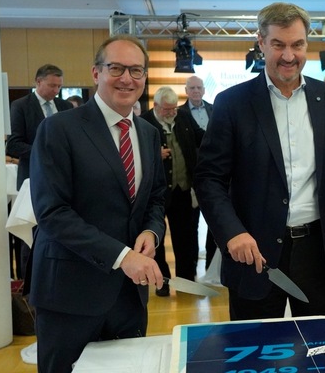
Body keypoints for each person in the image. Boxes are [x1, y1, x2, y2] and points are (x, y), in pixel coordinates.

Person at [193, 2, 325, 321]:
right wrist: (232, 232)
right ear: (261, 42)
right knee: (254, 345)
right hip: (254, 253)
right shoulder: (232, 103)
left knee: (319, 345)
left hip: (318, 253)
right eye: (279, 44)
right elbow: (209, 179)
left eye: (298, 45)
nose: (289, 56)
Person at [29, 35, 167, 373]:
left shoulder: (148, 133)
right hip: (70, 294)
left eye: (136, 70)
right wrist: (122, 256)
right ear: (96, 73)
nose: (127, 79)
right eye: (116, 68)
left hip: (129, 296)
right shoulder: (58, 129)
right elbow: (52, 212)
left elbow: (155, 198)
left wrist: (151, 232)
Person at [6, 64, 74, 278]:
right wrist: (43, 152)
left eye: (59, 86)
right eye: (52, 85)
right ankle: (29, 279)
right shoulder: (21, 106)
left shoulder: (64, 106)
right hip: (32, 179)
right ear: (38, 82)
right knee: (32, 232)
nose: (56, 90)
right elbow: (13, 145)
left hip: (62, 180)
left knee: (59, 229)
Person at [140, 86, 205, 296]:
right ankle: (162, 283)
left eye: (174, 108)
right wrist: (153, 154)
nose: (171, 113)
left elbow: (200, 137)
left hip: (183, 191)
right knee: (157, 240)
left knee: (186, 239)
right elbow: (133, 154)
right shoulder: (143, 122)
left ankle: (186, 283)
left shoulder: (183, 117)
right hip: (156, 194)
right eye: (167, 109)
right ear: (156, 105)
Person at [178, 75, 216, 269]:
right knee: (189, 227)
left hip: (215, 176)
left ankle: (211, 268)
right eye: (192, 88)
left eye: (198, 87)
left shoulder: (215, 109)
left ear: (204, 90)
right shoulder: (179, 113)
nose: (195, 91)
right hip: (190, 178)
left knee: (215, 224)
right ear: (186, 91)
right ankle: (190, 267)